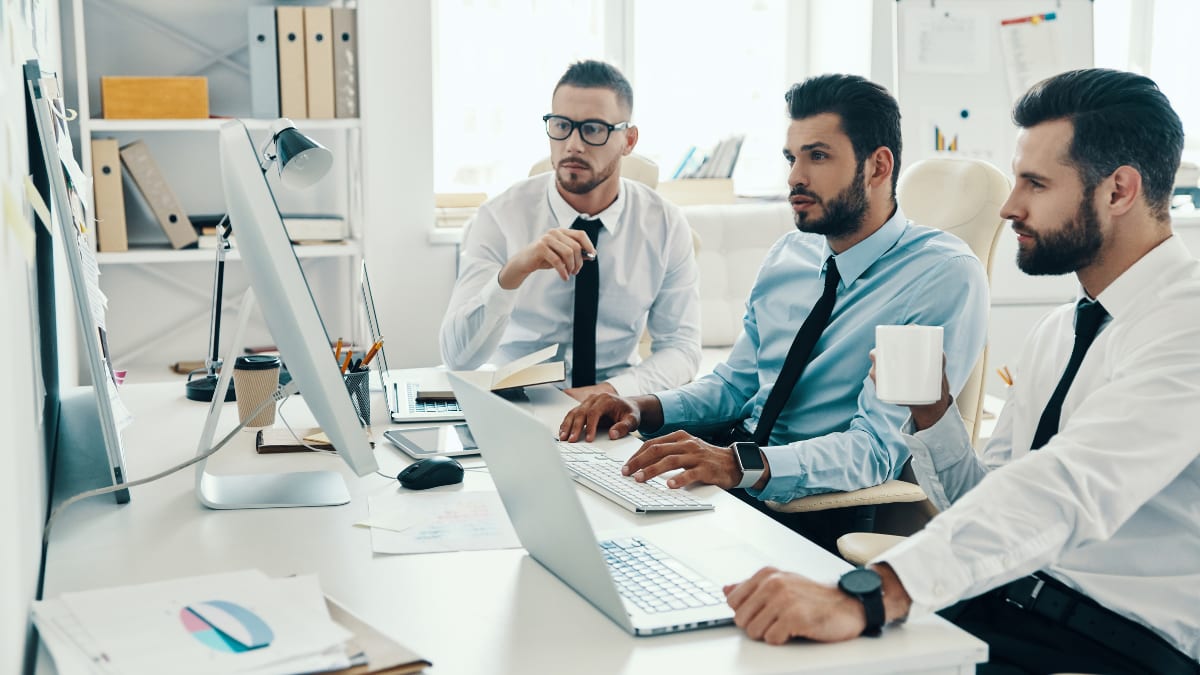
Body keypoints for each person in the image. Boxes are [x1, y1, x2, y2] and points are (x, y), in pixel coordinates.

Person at [722, 69, 1200, 674]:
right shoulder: (1060, 332)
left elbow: (1068, 488)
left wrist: (877, 593)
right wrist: (935, 416)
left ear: (1119, 190)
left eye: (1035, 183)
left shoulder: (1187, 325)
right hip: (999, 604)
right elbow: (986, 497)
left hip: (1108, 643)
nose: (1009, 206)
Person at [559, 74, 988, 512]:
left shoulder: (940, 276)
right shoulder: (791, 254)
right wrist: (639, 406)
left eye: (818, 156)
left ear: (878, 166)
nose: (796, 177)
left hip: (806, 505)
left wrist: (738, 465)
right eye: (791, 158)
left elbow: (875, 449)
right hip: (730, 471)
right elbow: (736, 385)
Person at [439, 60, 700, 402]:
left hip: (615, 409)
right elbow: (458, 358)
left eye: (593, 129)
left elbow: (682, 350)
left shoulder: (665, 225)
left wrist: (609, 394)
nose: (573, 144)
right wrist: (515, 271)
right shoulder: (500, 217)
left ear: (629, 140)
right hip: (516, 406)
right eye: (561, 125)